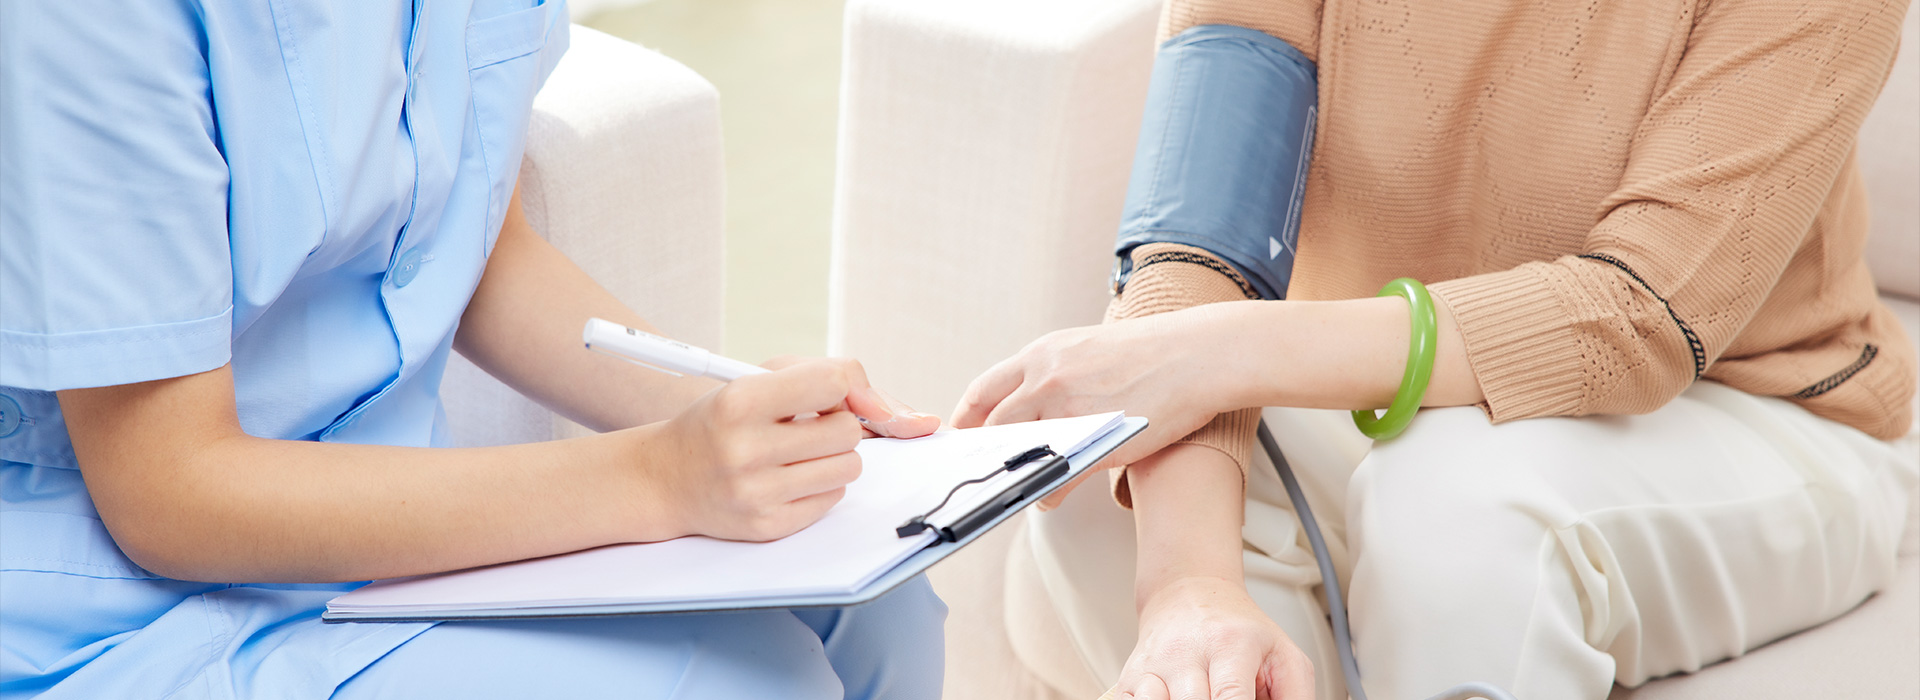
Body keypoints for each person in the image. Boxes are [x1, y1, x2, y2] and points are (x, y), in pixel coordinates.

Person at [952, 1, 1919, 699]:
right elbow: (1199, 246)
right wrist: (1189, 586)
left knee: (1457, 506)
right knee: (1099, 479)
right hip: (1366, 386)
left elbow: (1642, 319)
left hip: (1750, 406)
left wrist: (1213, 356)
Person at [0, 1, 945, 698]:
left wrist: (724, 421)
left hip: (395, 528)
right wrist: (661, 477)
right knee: (754, 684)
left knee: (878, 599)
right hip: (128, 611)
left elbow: (478, 248)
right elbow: (170, 492)